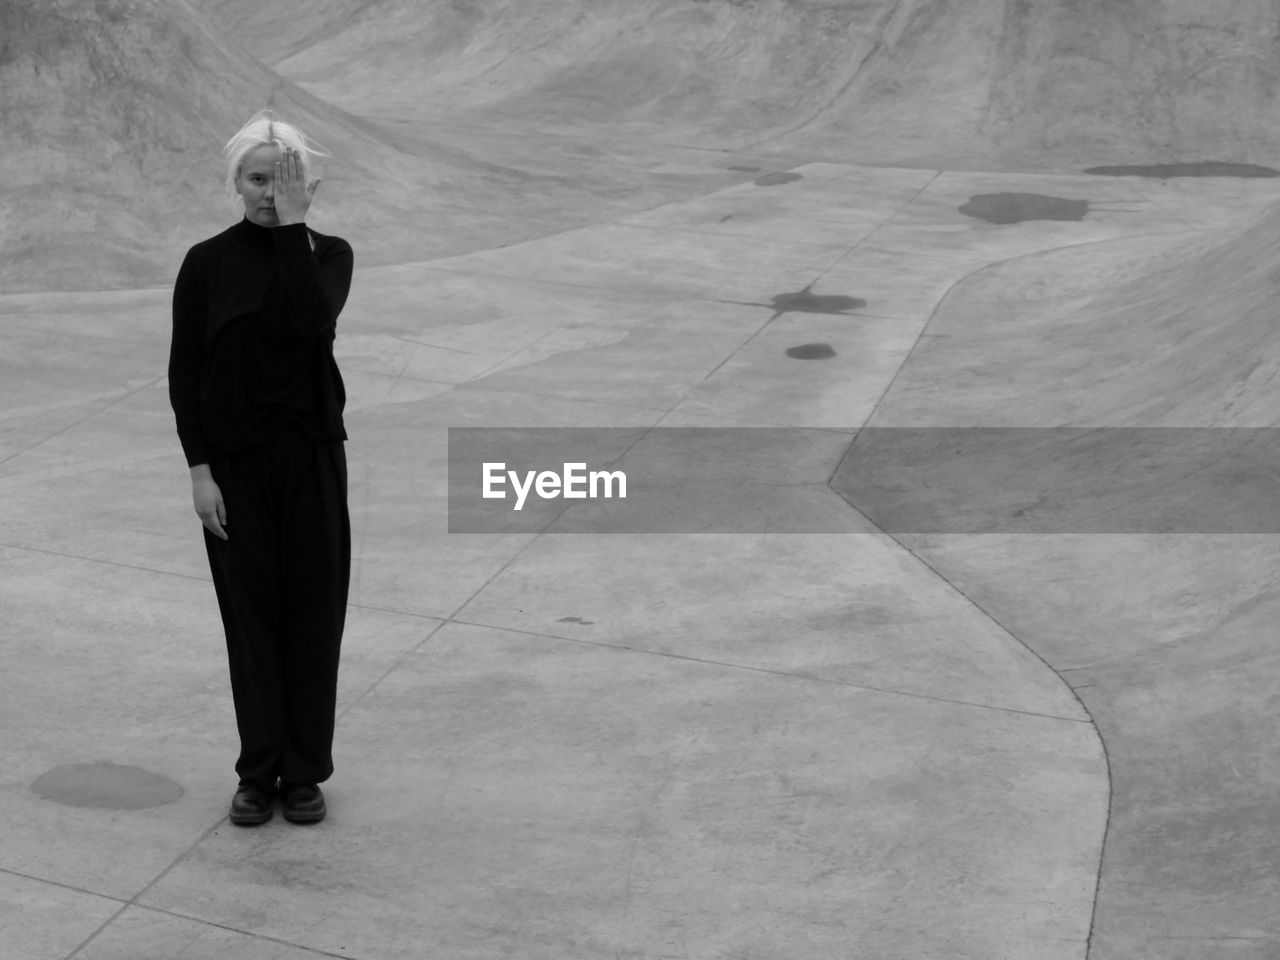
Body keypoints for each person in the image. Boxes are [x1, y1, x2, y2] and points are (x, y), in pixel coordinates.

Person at [168, 109, 354, 826]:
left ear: (306, 183)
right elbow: (186, 373)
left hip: (311, 458)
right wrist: (199, 471)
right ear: (234, 183)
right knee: (250, 622)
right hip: (236, 468)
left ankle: (304, 772)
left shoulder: (329, 254)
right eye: (256, 179)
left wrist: (291, 235)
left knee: (312, 614)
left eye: (284, 179)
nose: (269, 193)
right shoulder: (206, 263)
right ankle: (258, 769)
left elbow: (312, 322)